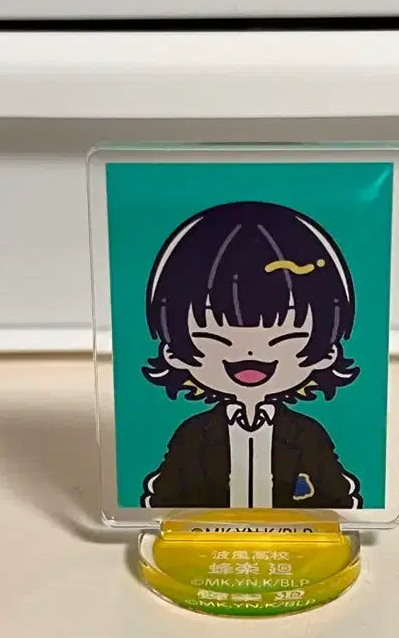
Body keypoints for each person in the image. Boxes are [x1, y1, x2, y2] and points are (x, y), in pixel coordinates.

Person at [141, 201, 362, 510]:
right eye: (215, 340)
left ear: (326, 351)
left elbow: (339, 500)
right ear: (173, 351)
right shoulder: (193, 437)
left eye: (284, 339)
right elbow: (164, 501)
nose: (248, 352)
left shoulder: (307, 437)